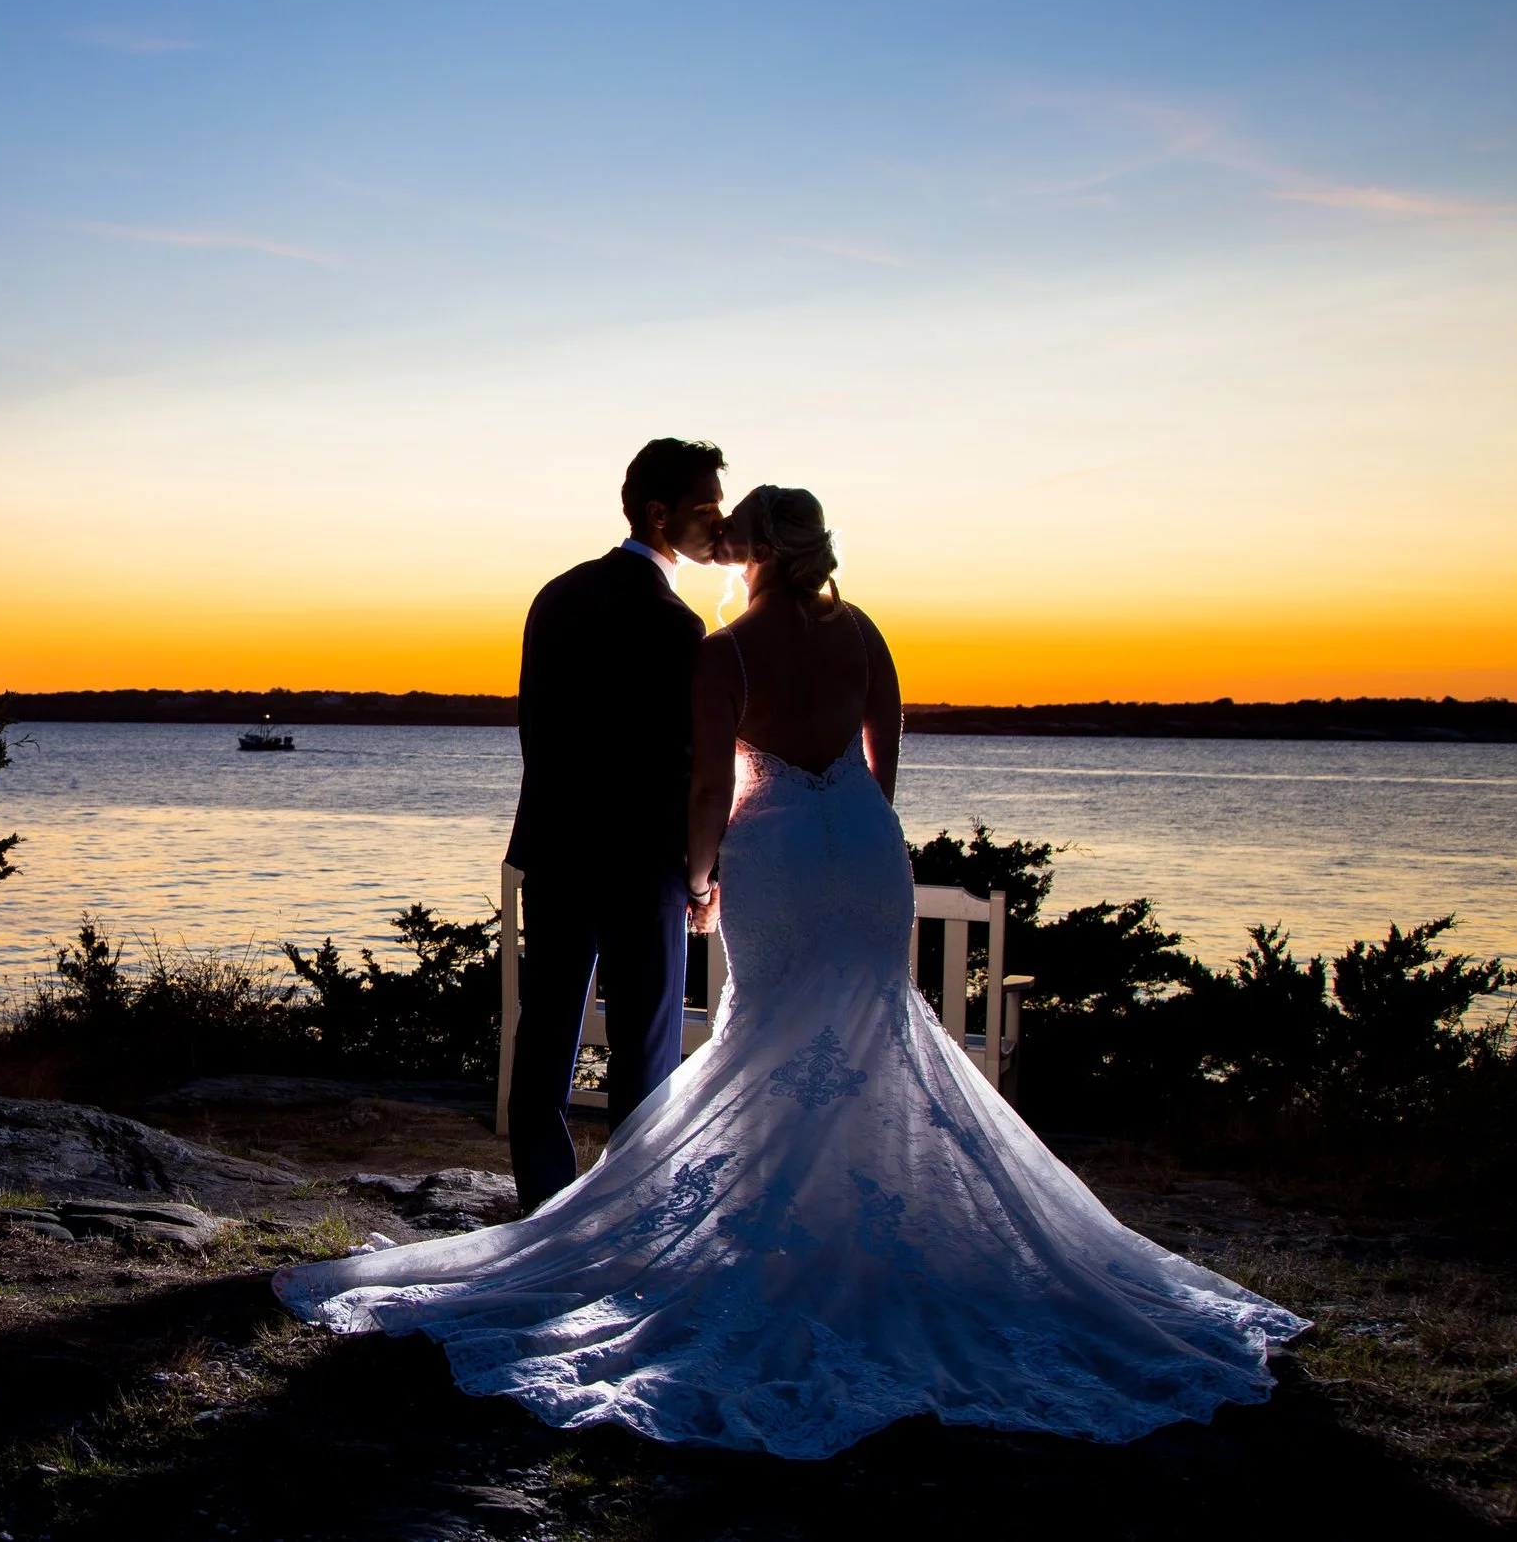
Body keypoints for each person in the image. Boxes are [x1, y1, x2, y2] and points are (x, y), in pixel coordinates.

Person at [275, 485, 1307, 1458]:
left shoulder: (724, 651)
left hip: (771, 852)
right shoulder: (864, 633)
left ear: (761, 552)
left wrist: (700, 876)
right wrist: (848, 824)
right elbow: (884, 760)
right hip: (863, 847)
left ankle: (773, 1239)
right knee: (873, 1031)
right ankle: (851, 1234)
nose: (723, 551)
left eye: (737, 542)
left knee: (769, 1035)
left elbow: (709, 785)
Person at [500, 437, 725, 1214]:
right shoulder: (676, 625)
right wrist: (702, 875)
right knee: (645, 1051)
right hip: (642, 862)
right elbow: (686, 765)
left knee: (545, 1036)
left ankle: (544, 1206)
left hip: (558, 849)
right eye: (706, 507)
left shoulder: (555, 596)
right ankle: (632, 1213)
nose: (719, 522)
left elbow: (536, 731)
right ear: (659, 514)